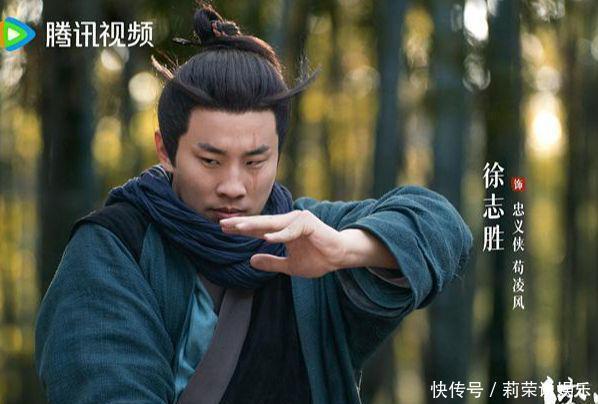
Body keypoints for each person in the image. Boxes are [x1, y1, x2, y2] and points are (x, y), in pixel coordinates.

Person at [35, 4, 473, 403]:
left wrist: (345, 250)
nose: (233, 186)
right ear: (165, 150)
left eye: (255, 161)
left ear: (278, 153)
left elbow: (441, 225)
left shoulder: (307, 233)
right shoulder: (113, 249)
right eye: (210, 160)